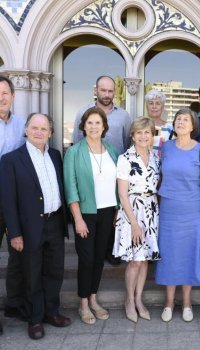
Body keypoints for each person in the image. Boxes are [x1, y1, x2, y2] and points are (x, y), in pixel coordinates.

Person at [0, 113, 70, 340]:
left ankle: (52, 311)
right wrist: (15, 233)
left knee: (54, 271)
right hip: (29, 226)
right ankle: (35, 318)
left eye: (44, 128)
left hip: (54, 222)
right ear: (26, 130)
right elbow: (8, 201)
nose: (39, 132)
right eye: (35, 128)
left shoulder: (56, 155)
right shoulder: (11, 160)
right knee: (32, 273)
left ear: (50, 132)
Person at [155, 108, 200, 323]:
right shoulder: (165, 148)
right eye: (178, 119)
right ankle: (169, 302)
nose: (180, 122)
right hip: (168, 210)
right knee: (169, 256)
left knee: (188, 256)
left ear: (192, 126)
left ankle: (186, 302)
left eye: (185, 120)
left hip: (192, 211)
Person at [64, 107, 119, 325]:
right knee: (86, 260)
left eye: (98, 123)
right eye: (90, 123)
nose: (94, 127)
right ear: (83, 126)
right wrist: (77, 219)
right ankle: (83, 303)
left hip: (107, 212)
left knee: (98, 259)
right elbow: (71, 188)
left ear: (104, 126)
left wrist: (116, 211)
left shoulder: (112, 151)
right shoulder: (74, 152)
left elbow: (118, 184)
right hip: (85, 213)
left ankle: (94, 299)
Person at [73, 75, 131, 265]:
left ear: (115, 92)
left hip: (114, 171)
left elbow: (127, 143)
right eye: (103, 90)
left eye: (110, 91)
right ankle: (90, 250)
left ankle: (110, 250)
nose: (107, 94)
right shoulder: (83, 112)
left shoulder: (123, 116)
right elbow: (76, 142)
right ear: (96, 90)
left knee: (112, 211)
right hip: (90, 172)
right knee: (92, 211)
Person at [113, 117, 161, 323]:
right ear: (133, 136)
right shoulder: (125, 158)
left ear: (152, 135)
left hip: (151, 211)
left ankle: (139, 299)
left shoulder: (156, 157)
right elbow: (122, 194)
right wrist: (134, 224)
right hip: (132, 212)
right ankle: (129, 301)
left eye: (147, 132)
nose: (143, 136)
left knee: (144, 261)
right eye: (139, 132)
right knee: (134, 261)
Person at [0, 76, 26, 331]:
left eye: (5, 93)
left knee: (18, 254)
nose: (2, 97)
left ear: (13, 95)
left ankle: (14, 304)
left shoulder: (21, 125)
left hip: (15, 201)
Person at [145, 89, 173, 155]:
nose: (154, 106)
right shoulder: (140, 126)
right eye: (151, 103)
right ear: (147, 107)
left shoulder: (170, 128)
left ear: (162, 108)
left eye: (158, 103)